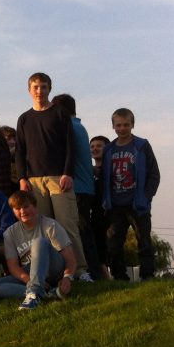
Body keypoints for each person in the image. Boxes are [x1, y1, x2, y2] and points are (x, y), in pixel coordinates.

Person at [14, 72, 89, 279]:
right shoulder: (24, 119)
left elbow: (69, 146)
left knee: (67, 225)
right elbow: (20, 151)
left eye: (44, 87)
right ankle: (50, 273)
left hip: (59, 178)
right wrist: (22, 178)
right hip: (34, 181)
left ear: (49, 89)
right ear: (29, 90)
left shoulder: (60, 114)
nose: (40, 91)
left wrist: (67, 172)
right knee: (43, 230)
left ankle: (80, 270)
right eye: (36, 87)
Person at [0, 190, 76, 310]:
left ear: (35, 206)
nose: (22, 211)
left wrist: (67, 278)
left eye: (26, 206)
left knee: (39, 242)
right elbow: (13, 266)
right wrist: (29, 280)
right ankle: (46, 293)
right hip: (29, 273)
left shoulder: (50, 226)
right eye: (17, 208)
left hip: (53, 269)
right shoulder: (10, 233)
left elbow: (70, 259)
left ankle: (33, 294)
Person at [102, 108, 161, 281]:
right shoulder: (109, 150)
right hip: (115, 205)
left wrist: (146, 196)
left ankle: (147, 275)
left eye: (126, 125)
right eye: (118, 125)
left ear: (132, 124)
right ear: (113, 126)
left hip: (137, 204)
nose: (122, 128)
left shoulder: (142, 145)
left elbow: (154, 174)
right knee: (113, 243)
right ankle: (120, 278)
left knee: (143, 241)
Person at [51, 93, 98, 282]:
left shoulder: (68, 127)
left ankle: (88, 272)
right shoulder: (80, 127)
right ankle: (92, 270)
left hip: (75, 188)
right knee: (84, 232)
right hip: (85, 187)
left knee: (78, 233)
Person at [89, 135, 111, 279]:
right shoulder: (88, 171)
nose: (95, 149)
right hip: (95, 213)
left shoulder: (111, 170)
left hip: (110, 212)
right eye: (92, 146)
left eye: (99, 146)